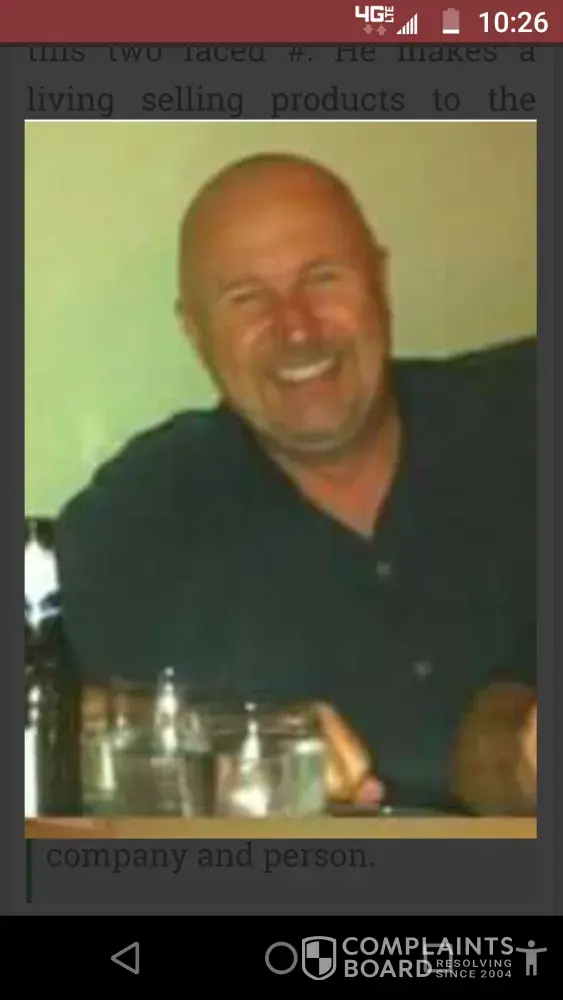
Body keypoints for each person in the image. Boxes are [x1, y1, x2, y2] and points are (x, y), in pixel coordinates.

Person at [56, 153, 536, 812]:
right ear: (194, 332)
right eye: (246, 298)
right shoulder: (141, 516)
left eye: (323, 278)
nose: (298, 327)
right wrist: (229, 741)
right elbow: (44, 701)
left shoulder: (523, 416)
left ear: (379, 280)